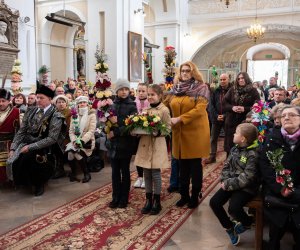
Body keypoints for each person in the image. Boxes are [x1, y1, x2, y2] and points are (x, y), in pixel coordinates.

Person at [7, 84, 65, 196]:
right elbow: (21, 131)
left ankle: (39, 183)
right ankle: (24, 182)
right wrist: (13, 147)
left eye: (41, 98)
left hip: (46, 146)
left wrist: (30, 147)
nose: (38, 100)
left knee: (30, 157)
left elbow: (52, 138)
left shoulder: (56, 115)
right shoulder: (30, 111)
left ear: (50, 99)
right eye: (37, 97)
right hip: (28, 141)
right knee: (14, 158)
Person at [210, 123, 259, 246]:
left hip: (247, 187)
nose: (233, 134)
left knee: (234, 207)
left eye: (236, 132)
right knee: (214, 202)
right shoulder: (235, 148)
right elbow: (226, 166)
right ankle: (229, 228)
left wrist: (228, 184)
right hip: (231, 183)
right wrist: (225, 180)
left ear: (243, 138)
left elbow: (247, 177)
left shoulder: (253, 154)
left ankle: (247, 222)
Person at [169, 61, 210, 208]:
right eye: (182, 71)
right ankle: (184, 195)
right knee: (182, 167)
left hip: (195, 132)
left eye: (188, 70)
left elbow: (200, 110)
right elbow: (167, 104)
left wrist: (180, 119)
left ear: (193, 72)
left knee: (194, 167)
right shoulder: (175, 88)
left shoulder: (201, 88)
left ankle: (195, 195)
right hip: (179, 133)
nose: (184, 73)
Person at [259, 105, 300, 250]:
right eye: (284, 116)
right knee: (276, 228)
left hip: (298, 190)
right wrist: (280, 188)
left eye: (292, 115)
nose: (287, 118)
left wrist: (294, 189)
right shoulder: (272, 138)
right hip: (277, 190)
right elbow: (265, 165)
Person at [134, 84, 171, 215]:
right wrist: (136, 130)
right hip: (145, 144)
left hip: (156, 145)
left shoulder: (164, 110)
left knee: (155, 174)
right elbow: (141, 125)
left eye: (152, 94)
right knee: (146, 174)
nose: (149, 97)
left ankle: (157, 201)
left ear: (160, 96)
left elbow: (168, 128)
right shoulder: (146, 109)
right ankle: (148, 200)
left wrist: (158, 132)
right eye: (148, 94)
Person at [106, 79, 138, 209]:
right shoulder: (111, 105)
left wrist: (116, 130)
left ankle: (124, 198)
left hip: (125, 144)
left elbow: (131, 127)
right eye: (121, 89)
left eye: (126, 89)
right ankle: (115, 197)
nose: (124, 92)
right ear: (117, 91)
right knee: (114, 173)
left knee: (125, 172)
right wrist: (107, 131)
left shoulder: (132, 106)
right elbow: (107, 122)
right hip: (113, 144)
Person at [223, 72, 260, 156]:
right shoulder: (232, 89)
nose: (240, 80)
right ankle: (230, 164)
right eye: (239, 78)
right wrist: (232, 108)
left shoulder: (253, 91)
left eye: (242, 78)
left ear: (246, 79)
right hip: (231, 121)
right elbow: (224, 103)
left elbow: (258, 106)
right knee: (230, 145)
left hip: (245, 123)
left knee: (244, 145)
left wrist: (245, 109)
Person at [66, 95, 96, 183]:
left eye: (84, 102)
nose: (82, 104)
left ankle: (85, 173)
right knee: (70, 153)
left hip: (87, 141)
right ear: (77, 104)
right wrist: (74, 140)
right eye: (80, 103)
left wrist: (82, 141)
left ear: (87, 103)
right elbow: (71, 131)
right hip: (75, 140)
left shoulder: (92, 115)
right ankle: (76, 174)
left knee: (72, 152)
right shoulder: (74, 115)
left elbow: (91, 131)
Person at [204, 73, 231, 164]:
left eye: (224, 79)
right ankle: (212, 156)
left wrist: (224, 115)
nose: (222, 81)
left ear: (228, 79)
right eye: (221, 79)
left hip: (227, 118)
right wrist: (216, 116)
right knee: (213, 138)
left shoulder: (232, 91)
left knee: (228, 138)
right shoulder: (215, 91)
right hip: (216, 118)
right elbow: (211, 105)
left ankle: (228, 157)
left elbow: (232, 105)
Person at [0, 88, 20, 184]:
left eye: (3, 101)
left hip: (10, 143)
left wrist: (14, 147)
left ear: (9, 101)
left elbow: (20, 132)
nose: (1, 103)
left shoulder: (17, 112)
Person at [133, 82, 149, 188]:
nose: (141, 93)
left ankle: (147, 179)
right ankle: (140, 177)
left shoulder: (150, 103)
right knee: (138, 156)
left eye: (143, 91)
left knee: (146, 156)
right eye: (139, 91)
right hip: (136, 135)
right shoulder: (133, 103)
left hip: (147, 134)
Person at [52, 95, 71, 179]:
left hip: (66, 137)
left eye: (63, 102)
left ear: (66, 104)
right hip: (55, 137)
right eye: (59, 102)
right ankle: (54, 168)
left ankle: (60, 169)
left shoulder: (69, 113)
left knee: (58, 146)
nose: (61, 104)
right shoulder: (53, 113)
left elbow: (69, 128)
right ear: (56, 104)